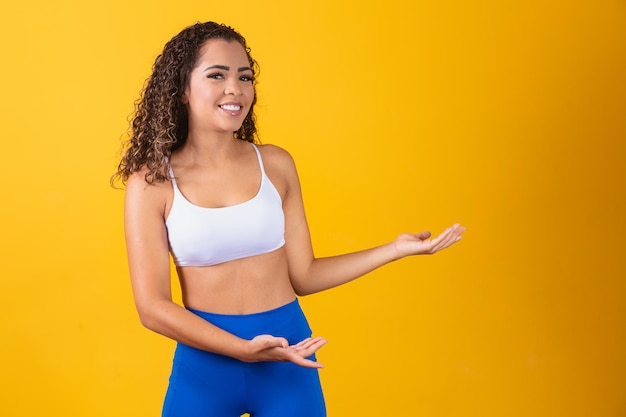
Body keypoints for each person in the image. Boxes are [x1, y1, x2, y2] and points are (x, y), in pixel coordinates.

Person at [113, 21, 465, 417]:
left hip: (290, 355)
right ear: (181, 89)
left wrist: (394, 250)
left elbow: (305, 275)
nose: (236, 88)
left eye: (244, 77)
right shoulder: (152, 182)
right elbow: (153, 307)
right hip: (205, 367)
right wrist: (243, 350)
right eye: (217, 75)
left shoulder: (276, 165)